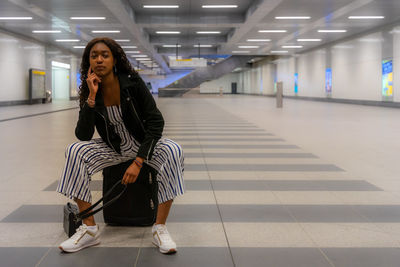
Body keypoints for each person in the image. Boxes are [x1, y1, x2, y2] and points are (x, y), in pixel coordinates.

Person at [56, 37, 185, 254]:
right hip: (113, 148)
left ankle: (159, 228)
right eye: (94, 56)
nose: (99, 60)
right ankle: (89, 231)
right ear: (89, 62)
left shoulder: (132, 83)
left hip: (142, 145)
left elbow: (156, 122)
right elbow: (83, 135)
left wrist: (139, 161)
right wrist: (91, 99)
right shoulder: (90, 90)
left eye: (104, 55)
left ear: (114, 59)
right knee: (74, 151)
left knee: (174, 151)